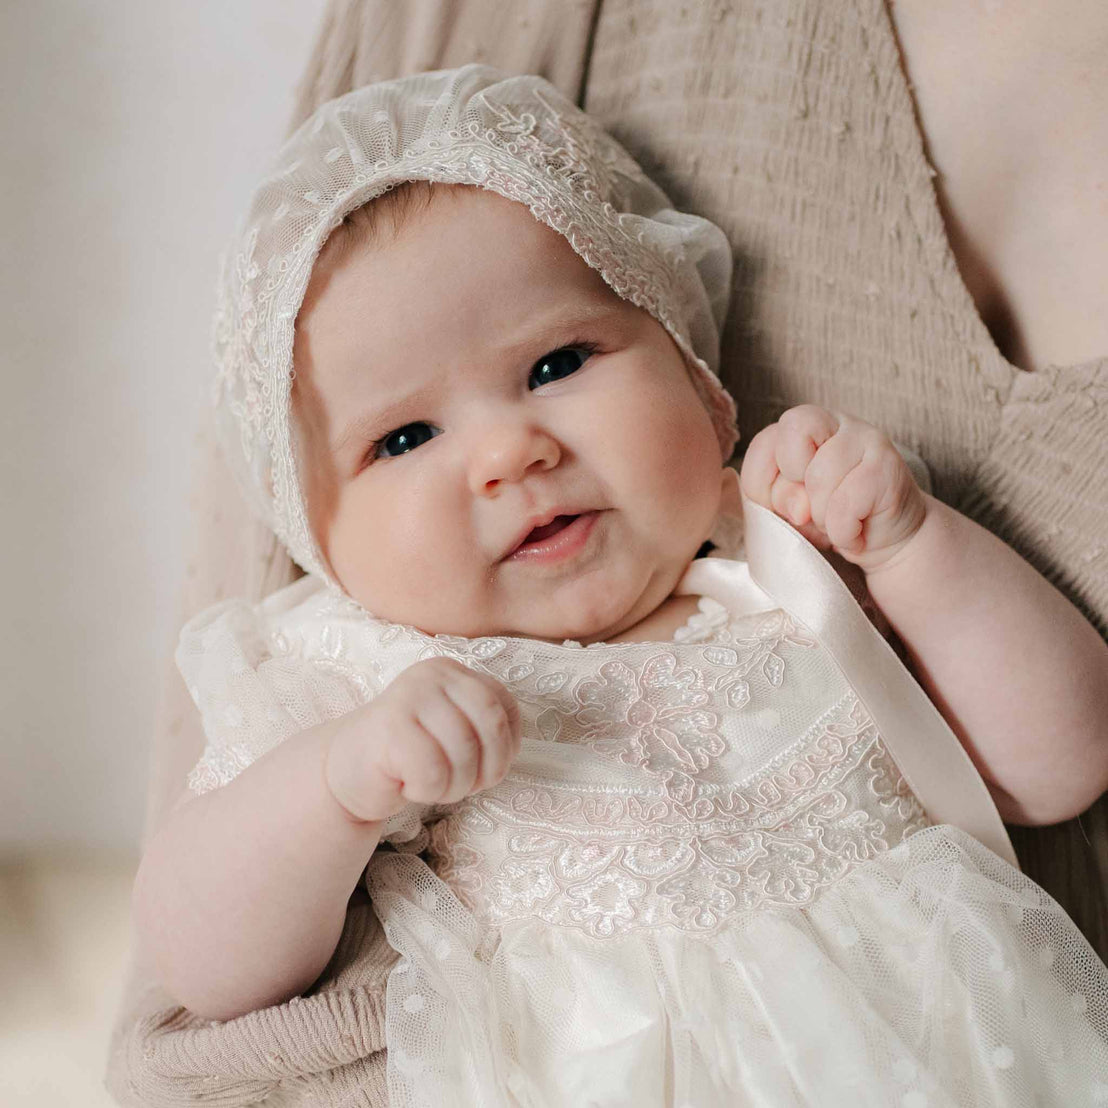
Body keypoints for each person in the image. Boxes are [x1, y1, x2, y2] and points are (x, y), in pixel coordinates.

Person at [129, 66, 1108, 1106]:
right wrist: (333, 786)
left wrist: (913, 548)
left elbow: (1058, 765)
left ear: (701, 383)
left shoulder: (791, 556)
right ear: (318, 541)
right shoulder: (369, 679)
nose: (509, 451)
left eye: (557, 363)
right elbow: (204, 965)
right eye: (405, 436)